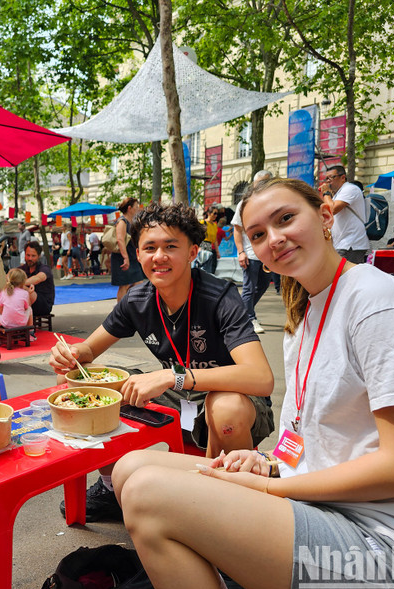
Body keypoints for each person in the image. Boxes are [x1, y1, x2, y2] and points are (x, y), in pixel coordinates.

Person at [113, 177, 394, 589]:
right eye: (258, 234)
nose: (274, 239)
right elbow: (303, 431)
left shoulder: (378, 305)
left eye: (286, 219)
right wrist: (271, 462)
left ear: (326, 216)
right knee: (130, 467)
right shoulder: (307, 309)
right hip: (326, 509)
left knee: (150, 495)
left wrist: (267, 485)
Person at [50, 202, 274, 522]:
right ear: (138, 254)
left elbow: (261, 377)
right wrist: (69, 356)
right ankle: (111, 486)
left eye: (171, 246)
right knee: (73, 380)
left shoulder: (220, 296)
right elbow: (86, 351)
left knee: (227, 409)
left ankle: (231, 507)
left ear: (193, 251)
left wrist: (173, 376)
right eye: (150, 247)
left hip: (232, 398)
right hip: (176, 396)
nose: (160, 256)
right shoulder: (137, 298)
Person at [231, 169, 273, 335]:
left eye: (265, 183)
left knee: (263, 285)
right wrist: (241, 252)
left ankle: (243, 313)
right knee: (249, 287)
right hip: (251, 254)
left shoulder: (274, 201)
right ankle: (249, 317)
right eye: (259, 184)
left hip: (268, 254)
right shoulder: (245, 204)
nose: (262, 187)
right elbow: (237, 229)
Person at [320, 165, 369, 263]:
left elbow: (332, 209)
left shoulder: (350, 189)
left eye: (332, 177)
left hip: (351, 244)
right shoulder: (338, 194)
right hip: (342, 244)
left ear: (343, 177)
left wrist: (326, 193)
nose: (328, 181)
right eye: (327, 178)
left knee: (344, 276)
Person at [110, 197, 146, 301]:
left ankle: (126, 305)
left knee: (138, 282)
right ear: (130, 208)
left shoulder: (131, 222)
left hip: (131, 256)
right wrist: (125, 258)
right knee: (124, 285)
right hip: (123, 257)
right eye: (136, 207)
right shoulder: (122, 221)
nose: (138, 208)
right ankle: (120, 310)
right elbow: (120, 240)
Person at [17, 241, 55, 318]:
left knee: (26, 290)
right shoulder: (22, 269)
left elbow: (38, 278)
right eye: (28, 255)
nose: (30, 258)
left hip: (43, 305)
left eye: (33, 256)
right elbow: (10, 274)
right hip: (26, 302)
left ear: (39, 256)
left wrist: (18, 284)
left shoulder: (45, 268)